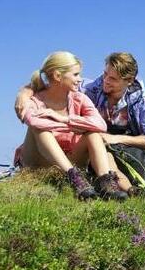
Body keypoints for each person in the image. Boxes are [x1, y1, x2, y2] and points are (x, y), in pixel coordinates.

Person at [15, 52, 145, 202]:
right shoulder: (90, 87)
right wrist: (24, 92)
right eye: (105, 74)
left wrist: (115, 138)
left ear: (129, 81)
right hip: (97, 144)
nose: (105, 80)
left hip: (127, 143)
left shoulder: (143, 101)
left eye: (113, 79)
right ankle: (123, 188)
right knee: (101, 146)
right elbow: (51, 81)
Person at [15, 51, 128, 201]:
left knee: (93, 134)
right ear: (57, 76)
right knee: (40, 130)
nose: (79, 79)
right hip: (38, 162)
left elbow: (100, 125)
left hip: (70, 159)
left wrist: (65, 119)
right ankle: (73, 176)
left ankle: (105, 184)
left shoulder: (79, 98)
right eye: (75, 75)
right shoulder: (34, 100)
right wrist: (77, 126)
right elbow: (34, 121)